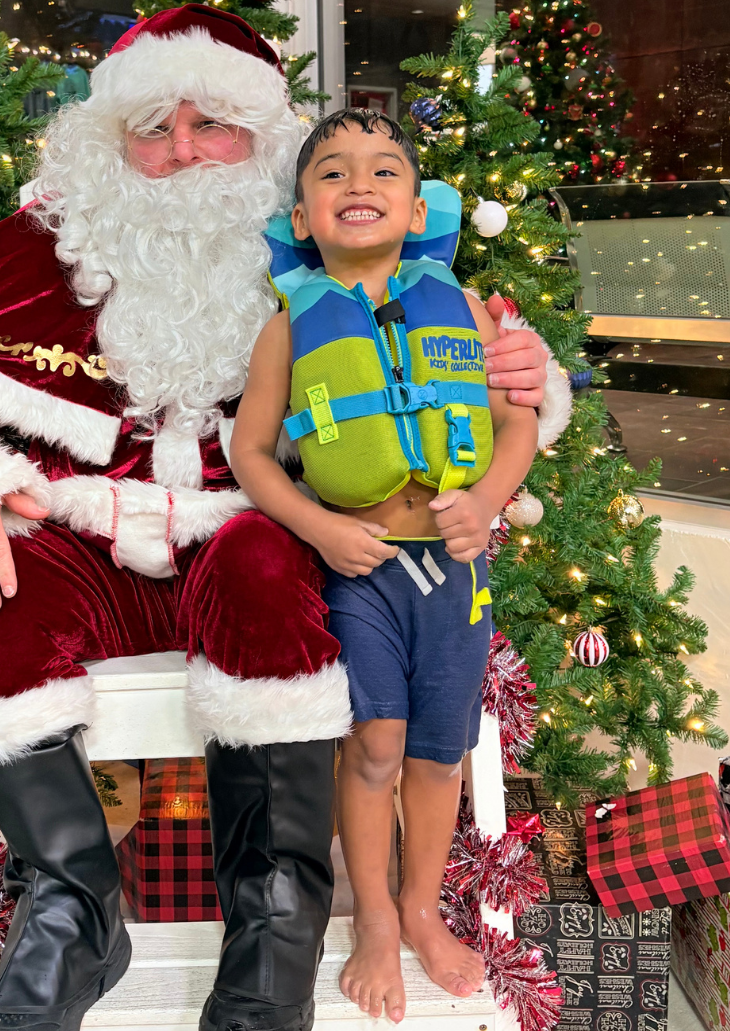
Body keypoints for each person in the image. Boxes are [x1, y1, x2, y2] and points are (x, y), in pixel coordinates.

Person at [0, 4, 568, 1031]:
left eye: (214, 127)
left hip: (248, 532)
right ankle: (73, 906)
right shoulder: (46, 236)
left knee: (263, 563)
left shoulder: (323, 258)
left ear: (266, 141)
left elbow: (453, 362)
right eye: (154, 127)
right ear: (115, 141)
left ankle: (276, 913)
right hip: (84, 545)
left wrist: (523, 374)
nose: (183, 151)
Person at [230, 110, 538, 1023]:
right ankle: (369, 918)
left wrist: (485, 502)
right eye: (332, 172)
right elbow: (251, 456)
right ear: (300, 216)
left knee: (440, 755)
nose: (359, 184)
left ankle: (418, 908)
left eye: (384, 172)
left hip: (455, 568)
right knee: (374, 747)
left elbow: (516, 422)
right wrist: (318, 529)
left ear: (415, 207)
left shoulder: (466, 305)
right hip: (358, 569)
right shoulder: (290, 326)